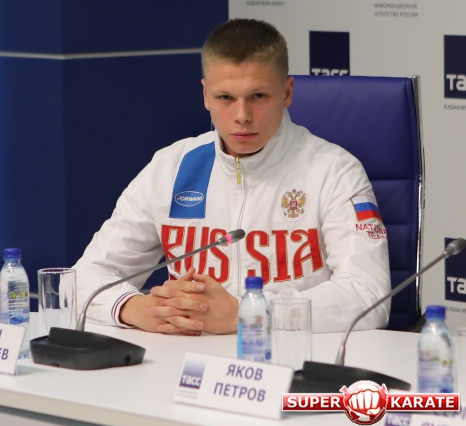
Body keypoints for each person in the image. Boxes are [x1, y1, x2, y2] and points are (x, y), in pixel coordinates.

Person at [73, 19, 390, 335]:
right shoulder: (169, 168)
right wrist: (134, 308)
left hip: (291, 352)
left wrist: (248, 314)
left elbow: (369, 295)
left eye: (258, 96)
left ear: (287, 92)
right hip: (186, 356)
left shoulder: (334, 170)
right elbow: (82, 277)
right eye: (225, 98)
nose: (242, 116)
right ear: (205, 95)